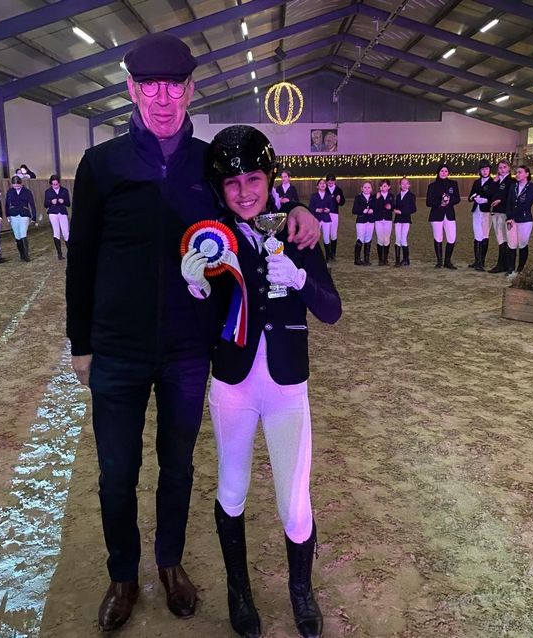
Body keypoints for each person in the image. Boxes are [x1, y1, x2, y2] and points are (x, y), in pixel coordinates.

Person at [64, 32, 320, 633]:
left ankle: (170, 562)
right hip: (117, 350)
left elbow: (255, 197)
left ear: (190, 90)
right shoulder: (101, 164)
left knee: (177, 466)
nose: (162, 98)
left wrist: (299, 207)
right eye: (150, 86)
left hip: (187, 349)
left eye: (173, 86)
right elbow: (82, 260)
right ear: (132, 89)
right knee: (117, 473)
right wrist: (82, 343)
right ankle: (123, 575)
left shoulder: (207, 163)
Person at [181, 124, 340, 638]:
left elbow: (331, 309)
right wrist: (196, 289)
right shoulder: (212, 241)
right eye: (232, 182)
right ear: (219, 189)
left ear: (270, 179)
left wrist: (299, 277)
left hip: (287, 384)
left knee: (294, 501)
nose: (245, 191)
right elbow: (200, 326)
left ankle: (301, 591)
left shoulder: (296, 232)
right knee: (233, 488)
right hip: (234, 383)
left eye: (254, 178)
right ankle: (239, 591)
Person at [426, 163, 460, 269]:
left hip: (449, 214)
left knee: (452, 237)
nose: (444, 173)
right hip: (436, 214)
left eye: (446, 171)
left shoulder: (453, 184)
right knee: (438, 237)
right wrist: (440, 203)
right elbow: (428, 202)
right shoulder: (432, 186)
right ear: (438, 172)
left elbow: (457, 198)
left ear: (448, 172)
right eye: (442, 171)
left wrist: (449, 201)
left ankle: (448, 261)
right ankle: (439, 261)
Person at [505, 165, 533, 274]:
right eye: (516, 172)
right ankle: (511, 268)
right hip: (512, 219)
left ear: (527, 174)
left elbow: (527, 204)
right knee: (511, 243)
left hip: (525, 219)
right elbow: (509, 201)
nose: (517, 174)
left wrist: (512, 214)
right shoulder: (513, 186)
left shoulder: (531, 187)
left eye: (520, 172)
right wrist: (509, 216)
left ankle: (521, 268)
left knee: (523, 243)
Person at [488, 160, 514, 273]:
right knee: (500, 238)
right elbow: (489, 194)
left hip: (505, 212)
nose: (502, 170)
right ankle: (502, 264)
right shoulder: (496, 181)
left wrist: (501, 200)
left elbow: (511, 197)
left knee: (505, 238)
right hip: (496, 211)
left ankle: (504, 264)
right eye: (500, 168)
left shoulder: (511, 181)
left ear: (509, 168)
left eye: (504, 167)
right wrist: (494, 182)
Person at [468, 159, 494, 271]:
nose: (484, 171)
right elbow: (470, 197)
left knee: (485, 235)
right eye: (482, 169)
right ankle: (477, 261)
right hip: (476, 210)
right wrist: (473, 197)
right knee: (477, 235)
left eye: (486, 169)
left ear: (489, 170)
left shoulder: (493, 182)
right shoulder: (476, 182)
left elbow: (494, 197)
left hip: (487, 212)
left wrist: (486, 200)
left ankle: (482, 261)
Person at [5, 176, 36, 262]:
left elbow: (32, 204)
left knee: (23, 234)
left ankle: (26, 255)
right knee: (17, 236)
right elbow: (7, 204)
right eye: (14, 186)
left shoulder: (27, 192)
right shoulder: (10, 192)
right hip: (13, 214)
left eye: (17, 186)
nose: (16, 188)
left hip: (24, 214)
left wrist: (34, 217)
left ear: (21, 184)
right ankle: (21, 254)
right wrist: (7, 214)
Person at [45, 174, 71, 260]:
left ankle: (70, 252)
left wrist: (63, 201)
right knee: (56, 232)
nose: (55, 186)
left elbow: (68, 203)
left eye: (56, 184)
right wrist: (50, 202)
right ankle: (59, 254)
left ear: (59, 183)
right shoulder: (48, 192)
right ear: (51, 184)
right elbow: (45, 204)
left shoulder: (64, 190)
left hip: (62, 212)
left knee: (66, 232)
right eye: (53, 184)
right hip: (53, 212)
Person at [309, 177, 336, 259]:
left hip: (326, 219)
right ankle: (315, 255)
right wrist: (316, 209)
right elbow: (310, 207)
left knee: (326, 238)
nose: (322, 185)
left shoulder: (329, 196)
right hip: (317, 219)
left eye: (324, 183)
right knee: (315, 237)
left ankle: (328, 256)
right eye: (320, 183)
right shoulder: (313, 196)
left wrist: (329, 210)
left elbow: (332, 207)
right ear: (317, 186)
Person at [393, 177, 415, 267]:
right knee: (397, 239)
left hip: (406, 219)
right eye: (402, 184)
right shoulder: (398, 196)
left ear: (409, 185)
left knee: (403, 239)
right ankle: (397, 260)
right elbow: (395, 206)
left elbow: (413, 209)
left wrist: (402, 212)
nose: (404, 185)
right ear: (400, 185)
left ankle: (406, 259)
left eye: (406, 183)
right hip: (398, 219)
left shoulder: (411, 196)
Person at [352, 181, 375, 266]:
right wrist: (362, 211)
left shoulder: (373, 198)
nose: (367, 189)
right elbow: (354, 210)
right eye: (365, 187)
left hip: (371, 221)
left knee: (368, 239)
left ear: (371, 189)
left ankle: (366, 259)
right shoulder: (358, 198)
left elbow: (376, 208)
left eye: (369, 187)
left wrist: (373, 210)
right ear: (361, 188)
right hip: (361, 221)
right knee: (360, 238)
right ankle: (357, 259)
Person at [373, 179, 395, 266]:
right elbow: (373, 206)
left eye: (385, 186)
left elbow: (394, 206)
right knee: (380, 239)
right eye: (381, 186)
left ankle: (385, 259)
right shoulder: (376, 195)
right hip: (378, 219)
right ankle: (380, 259)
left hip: (387, 219)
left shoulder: (391, 196)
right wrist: (376, 199)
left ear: (389, 187)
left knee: (386, 239)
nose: (382, 188)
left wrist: (391, 207)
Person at [325, 173, 344, 261]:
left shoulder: (338, 190)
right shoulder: (324, 189)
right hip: (325, 214)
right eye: (329, 182)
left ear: (335, 181)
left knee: (333, 234)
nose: (330, 184)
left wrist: (339, 200)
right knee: (326, 234)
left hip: (334, 213)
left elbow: (342, 202)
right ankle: (328, 254)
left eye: (332, 182)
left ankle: (333, 253)